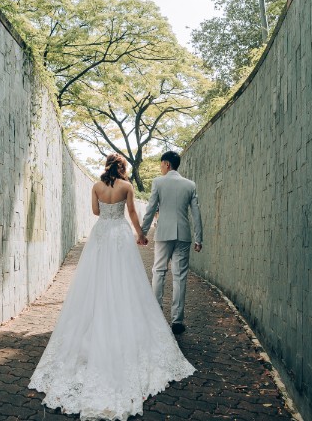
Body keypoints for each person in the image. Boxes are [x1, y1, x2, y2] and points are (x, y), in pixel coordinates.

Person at [28, 154, 195, 420]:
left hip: (101, 234)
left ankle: (95, 321)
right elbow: (131, 213)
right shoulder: (127, 187)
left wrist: (106, 210)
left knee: (95, 279)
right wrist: (141, 234)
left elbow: (95, 212)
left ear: (106, 167)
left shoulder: (95, 186)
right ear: (123, 169)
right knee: (125, 280)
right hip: (119, 234)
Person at [140, 151, 203, 335]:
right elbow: (196, 214)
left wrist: (143, 233)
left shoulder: (158, 182)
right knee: (179, 277)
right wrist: (199, 238)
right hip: (183, 235)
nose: (160, 168)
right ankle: (177, 321)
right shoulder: (190, 185)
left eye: (161, 164)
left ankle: (156, 316)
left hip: (163, 234)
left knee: (158, 272)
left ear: (167, 164)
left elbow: (151, 208)